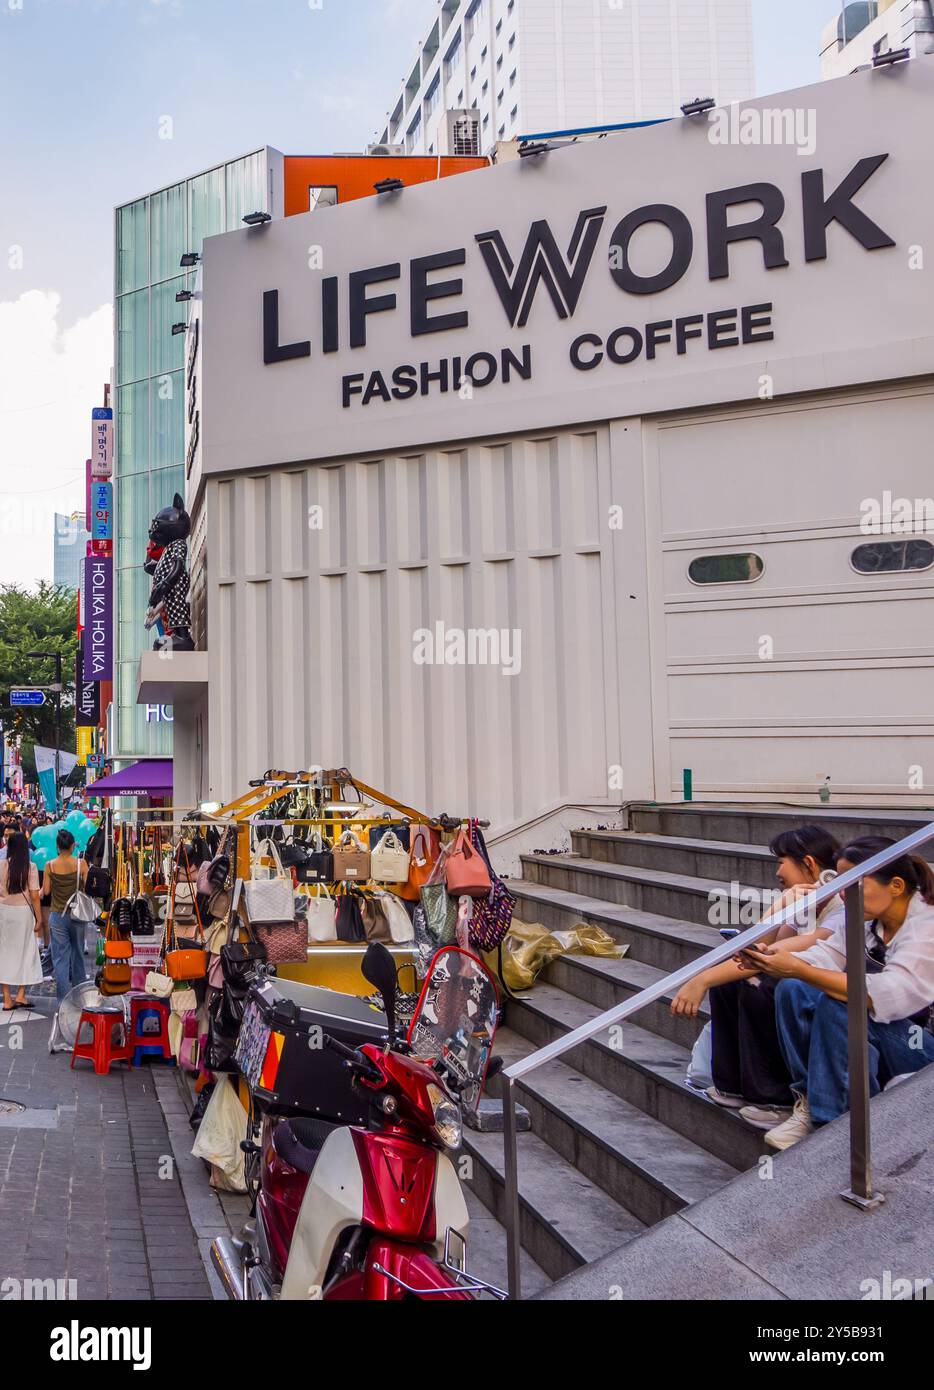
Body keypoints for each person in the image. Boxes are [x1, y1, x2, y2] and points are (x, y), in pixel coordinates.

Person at [745, 837, 934, 1151]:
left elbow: (889, 995)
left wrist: (798, 968)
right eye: (842, 883)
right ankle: (811, 1100)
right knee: (793, 989)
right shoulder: (867, 920)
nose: (844, 895)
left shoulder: (925, 928)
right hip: (886, 1036)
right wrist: (770, 957)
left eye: (855, 883)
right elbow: (825, 955)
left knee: (842, 1005)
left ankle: (834, 1124)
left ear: (897, 886)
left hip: (923, 1052)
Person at [671, 826, 842, 1126]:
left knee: (761, 986)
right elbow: (759, 947)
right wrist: (780, 909)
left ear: (810, 865)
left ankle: (776, 1099)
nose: (777, 871)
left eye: (781, 861)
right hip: (801, 983)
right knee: (732, 981)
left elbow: (764, 958)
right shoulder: (806, 907)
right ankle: (733, 1085)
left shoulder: (840, 912)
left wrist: (701, 980)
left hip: (828, 998)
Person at [43, 829, 89, 1004]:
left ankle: (63, 1001)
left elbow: (46, 891)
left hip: (57, 915)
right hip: (77, 915)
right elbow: (87, 889)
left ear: (57, 846)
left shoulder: (50, 865)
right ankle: (79, 997)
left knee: (60, 958)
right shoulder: (81, 864)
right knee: (78, 954)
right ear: (72, 845)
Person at [0, 831, 44, 1011]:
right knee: (27, 952)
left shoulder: (1, 865)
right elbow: (34, 895)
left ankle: (7, 998)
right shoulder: (30, 867)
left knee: (4, 952)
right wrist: (39, 918)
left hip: (4, 912)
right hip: (24, 913)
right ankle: (21, 994)